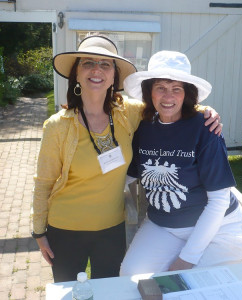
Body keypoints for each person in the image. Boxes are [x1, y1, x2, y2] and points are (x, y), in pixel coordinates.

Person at [31, 36, 222, 282]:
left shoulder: (129, 113)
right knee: (70, 294)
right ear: (76, 74)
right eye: (88, 63)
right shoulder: (57, 127)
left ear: (114, 77)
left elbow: (168, 104)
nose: (97, 69)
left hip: (111, 229)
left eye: (105, 64)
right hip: (65, 229)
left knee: (112, 291)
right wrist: (38, 232)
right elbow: (43, 182)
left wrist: (206, 112)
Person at [120, 50, 242, 276]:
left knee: (185, 286)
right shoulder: (143, 127)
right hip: (163, 227)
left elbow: (219, 201)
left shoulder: (206, 127)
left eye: (176, 89)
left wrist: (187, 259)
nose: (168, 96)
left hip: (220, 231)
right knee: (130, 275)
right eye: (160, 87)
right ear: (149, 92)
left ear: (186, 94)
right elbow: (129, 175)